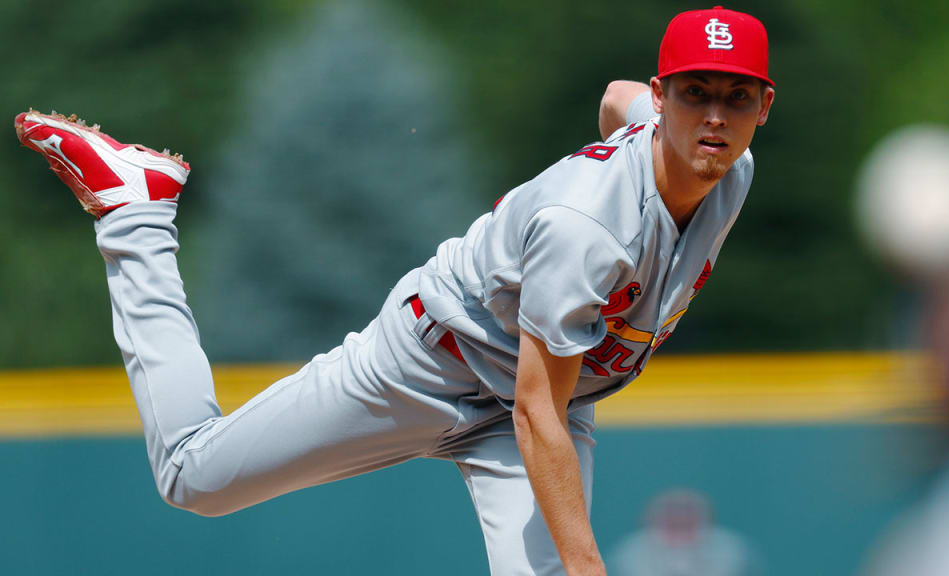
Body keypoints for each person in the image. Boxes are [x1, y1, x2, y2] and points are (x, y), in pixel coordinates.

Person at [15, 7, 774, 575]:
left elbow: (616, 98)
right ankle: (136, 211)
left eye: (736, 96)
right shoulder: (587, 227)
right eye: (694, 93)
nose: (714, 115)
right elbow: (537, 407)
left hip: (526, 413)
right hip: (427, 369)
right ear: (663, 94)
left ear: (763, 107)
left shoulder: (724, 166)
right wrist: (586, 567)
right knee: (193, 478)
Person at [609, 489, 759, 576]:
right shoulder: (631, 552)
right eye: (672, 519)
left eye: (687, 518)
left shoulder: (729, 549)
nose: (680, 520)